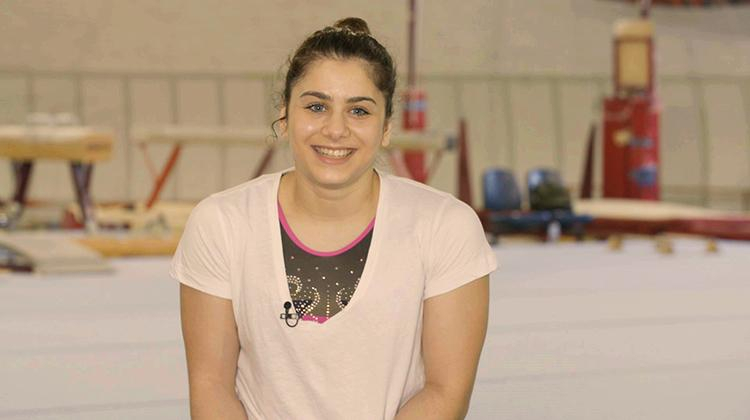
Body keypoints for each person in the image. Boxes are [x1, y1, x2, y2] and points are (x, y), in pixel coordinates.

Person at [171, 17, 498, 420]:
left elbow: (445, 392)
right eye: (316, 106)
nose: (336, 129)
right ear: (284, 116)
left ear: (386, 128)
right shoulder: (222, 224)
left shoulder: (445, 227)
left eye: (359, 111)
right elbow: (211, 388)